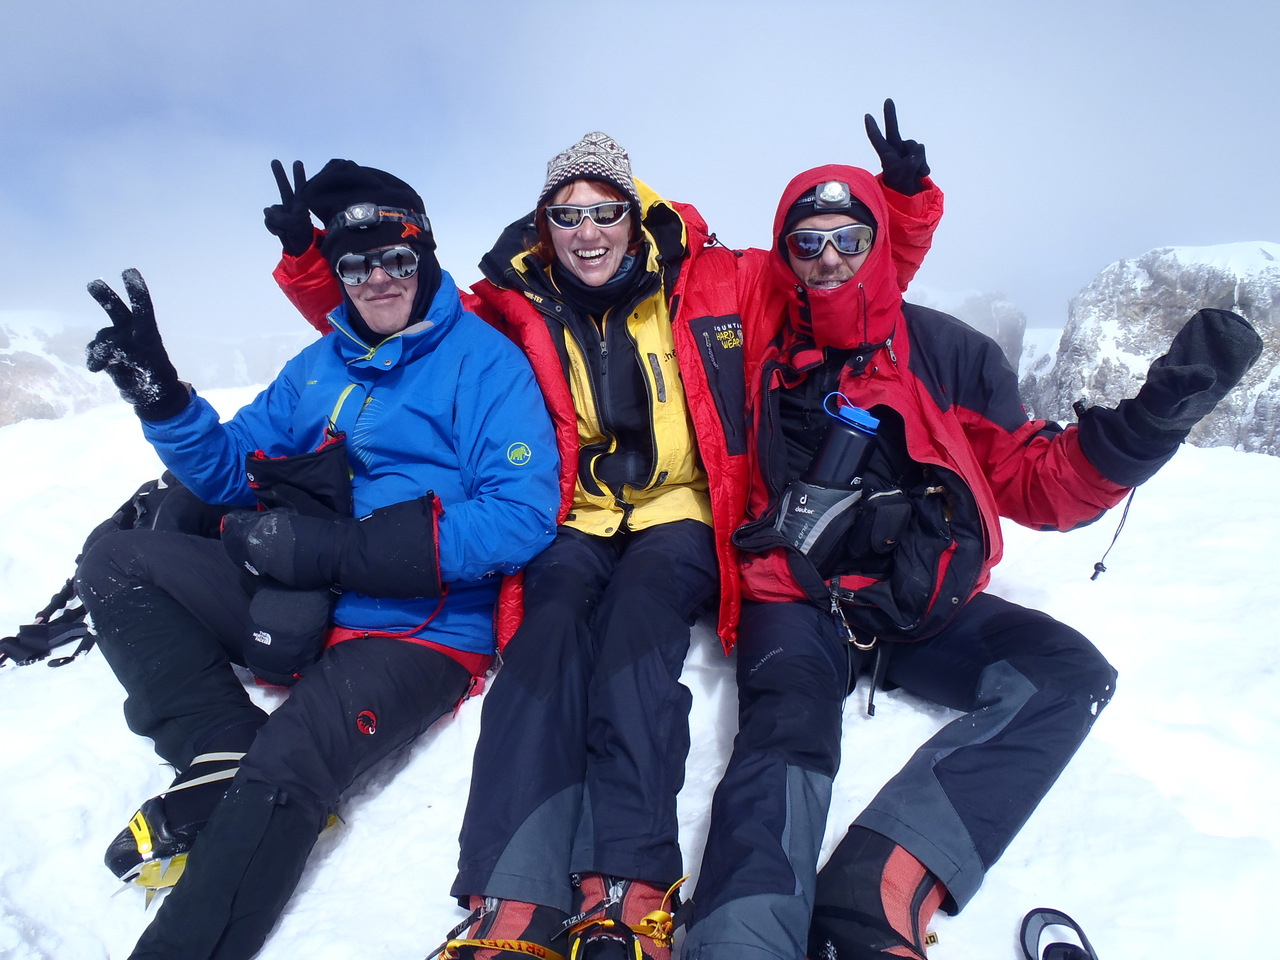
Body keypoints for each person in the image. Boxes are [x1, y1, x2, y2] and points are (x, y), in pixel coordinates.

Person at [270, 114, 942, 960]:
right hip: (575, 515)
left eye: (604, 212)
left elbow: (845, 282)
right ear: (544, 228)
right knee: (544, 645)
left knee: (638, 635)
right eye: (566, 215)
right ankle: (511, 899)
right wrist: (309, 262)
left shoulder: (719, 278)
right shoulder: (511, 299)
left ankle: (626, 885)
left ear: (634, 213)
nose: (586, 232)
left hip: (683, 509)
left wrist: (905, 207)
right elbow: (391, 316)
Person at [679, 161, 1263, 960]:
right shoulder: (759, 345)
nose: (828, 258)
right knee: (785, 735)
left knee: (1068, 674)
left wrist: (1145, 428)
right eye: (806, 241)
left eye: (849, 238)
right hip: (795, 592)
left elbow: (1037, 480)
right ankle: (740, 942)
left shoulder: (949, 353)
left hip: (921, 597)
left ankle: (878, 886)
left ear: (877, 241)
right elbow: (672, 242)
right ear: (785, 253)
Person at [76, 159, 561, 960]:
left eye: (395, 261)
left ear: (425, 256)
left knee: (290, 760)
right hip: (307, 589)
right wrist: (161, 397)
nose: (376, 280)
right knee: (116, 562)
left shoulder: (485, 366)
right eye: (355, 266)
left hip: (418, 631)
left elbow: (518, 518)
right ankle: (218, 743)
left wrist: (345, 549)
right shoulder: (319, 367)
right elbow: (233, 470)